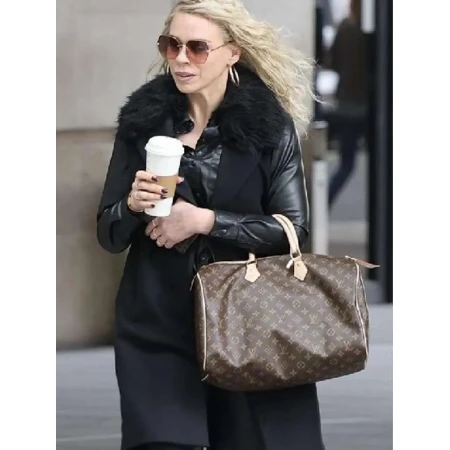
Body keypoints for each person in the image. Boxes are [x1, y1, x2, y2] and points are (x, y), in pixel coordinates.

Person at [96, 1, 324, 449]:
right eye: (172, 45)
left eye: (197, 48)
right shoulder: (143, 125)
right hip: (157, 319)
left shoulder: (269, 129)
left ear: (232, 53)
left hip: (247, 321)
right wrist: (134, 204)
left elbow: (293, 229)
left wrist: (204, 221)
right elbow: (109, 232)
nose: (181, 59)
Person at [326, 0, 368, 208]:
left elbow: (331, 62)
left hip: (346, 104)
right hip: (365, 106)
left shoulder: (345, 28)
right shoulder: (366, 33)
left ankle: (323, 205)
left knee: (346, 165)